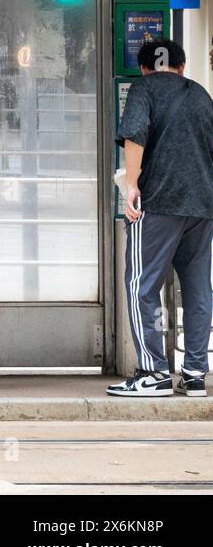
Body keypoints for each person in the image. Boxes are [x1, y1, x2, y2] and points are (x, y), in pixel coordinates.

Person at [108, 39, 213, 397]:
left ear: (143, 68)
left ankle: (153, 373)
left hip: (159, 202)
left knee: (142, 284)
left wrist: (132, 185)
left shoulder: (143, 88)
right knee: (198, 287)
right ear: (181, 67)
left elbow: (134, 134)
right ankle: (196, 372)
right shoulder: (200, 94)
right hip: (202, 206)